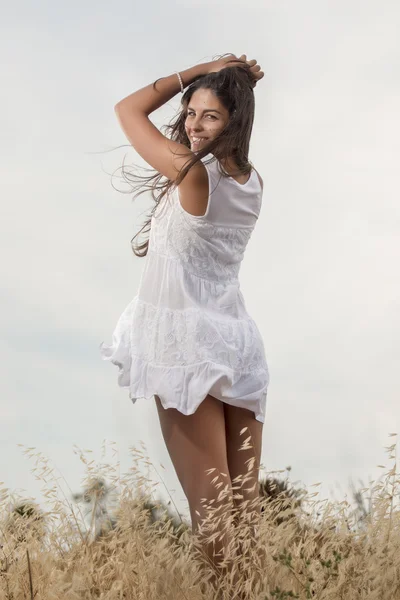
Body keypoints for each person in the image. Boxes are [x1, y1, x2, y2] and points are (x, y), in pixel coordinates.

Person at [99, 53, 269, 595]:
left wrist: (202, 68)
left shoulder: (193, 175)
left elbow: (127, 109)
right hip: (236, 343)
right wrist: (225, 81)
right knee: (241, 515)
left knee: (213, 513)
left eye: (210, 116)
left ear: (235, 121)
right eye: (191, 112)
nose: (194, 124)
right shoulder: (252, 181)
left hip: (187, 345)